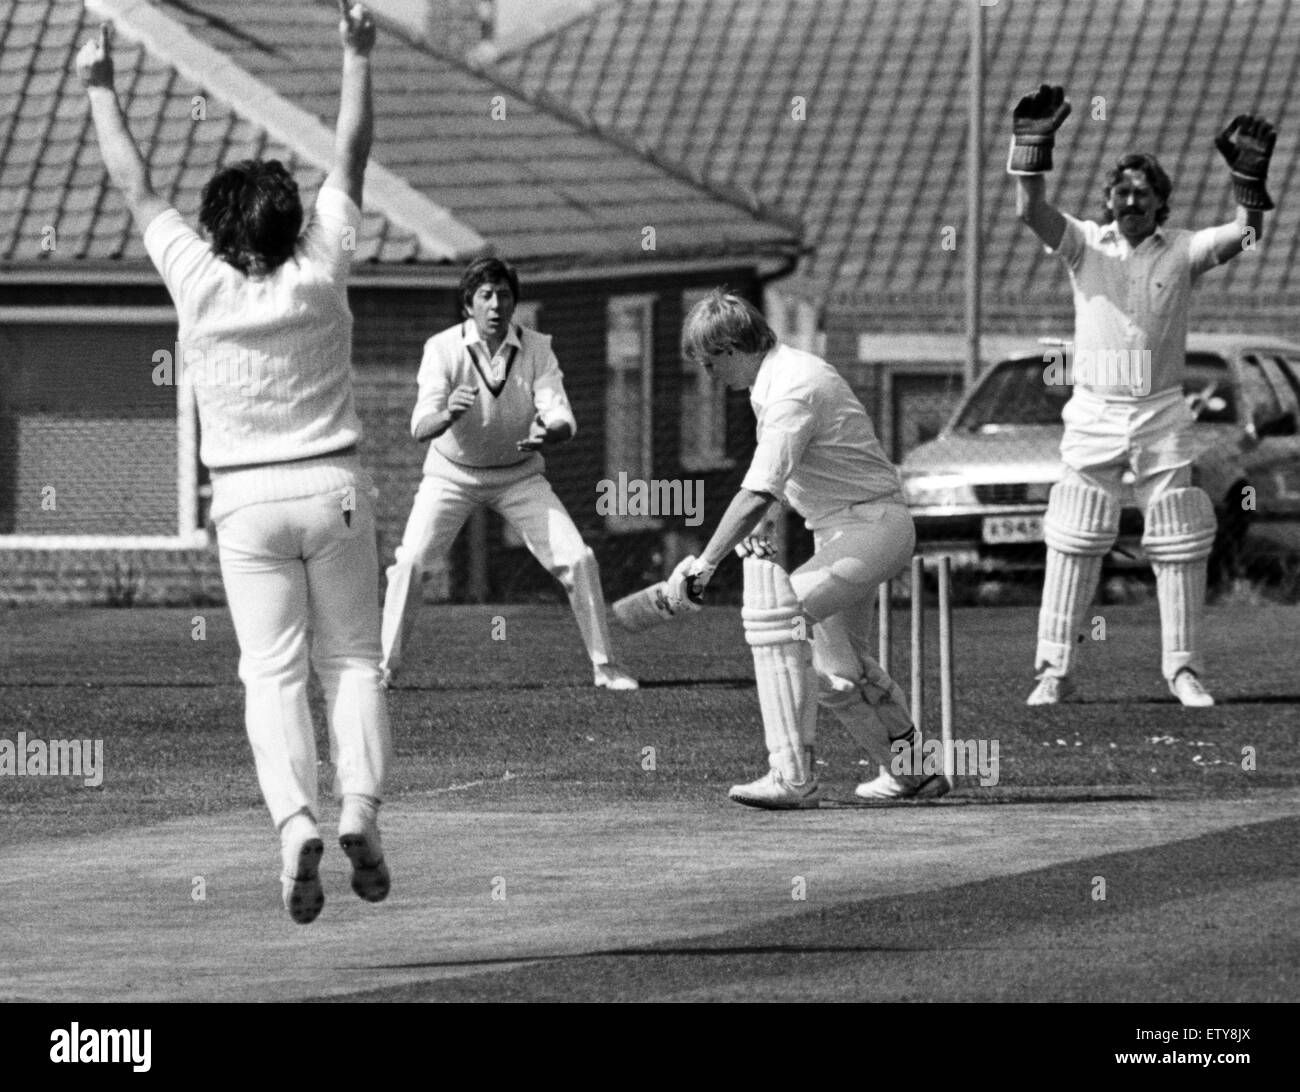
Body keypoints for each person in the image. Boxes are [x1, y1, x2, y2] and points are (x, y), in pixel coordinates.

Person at [78, 3, 393, 924]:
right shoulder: (322, 263)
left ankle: (295, 822)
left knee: (271, 675)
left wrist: (100, 85)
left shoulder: (199, 278)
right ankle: (361, 811)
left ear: (218, 228)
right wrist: (354, 53)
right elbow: (352, 152)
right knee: (356, 666)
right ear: (291, 222)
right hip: (333, 488)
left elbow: (135, 187)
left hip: (243, 503)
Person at [1008, 85, 1276, 707]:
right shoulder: (1084, 244)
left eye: (1143, 195)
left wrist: (1248, 183)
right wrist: (1032, 145)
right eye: (1121, 193)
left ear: (1160, 204)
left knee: (1180, 536)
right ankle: (1055, 671)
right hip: (1096, 409)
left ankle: (1183, 670)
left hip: (1159, 410)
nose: (1131, 202)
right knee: (1074, 536)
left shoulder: (1182, 250)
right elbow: (1030, 210)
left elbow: (1246, 236)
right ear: (1108, 200)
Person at [671, 289, 947, 808]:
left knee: (778, 618)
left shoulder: (792, 388)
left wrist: (703, 565)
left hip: (871, 528)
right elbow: (783, 478)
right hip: (843, 531)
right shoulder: (775, 380)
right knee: (840, 672)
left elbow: (757, 491)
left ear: (733, 347)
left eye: (711, 364)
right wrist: (767, 526)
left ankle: (791, 776)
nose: (709, 377)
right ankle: (915, 773)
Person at [379, 257, 638, 692]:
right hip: (451, 475)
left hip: (519, 476)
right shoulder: (441, 349)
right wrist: (447, 413)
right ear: (469, 305)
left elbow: (559, 414)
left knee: (578, 558)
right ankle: (384, 670)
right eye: (486, 296)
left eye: (504, 295)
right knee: (410, 562)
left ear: (515, 302)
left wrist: (547, 431)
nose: (496, 304)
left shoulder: (537, 347)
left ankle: (605, 666)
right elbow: (420, 426)